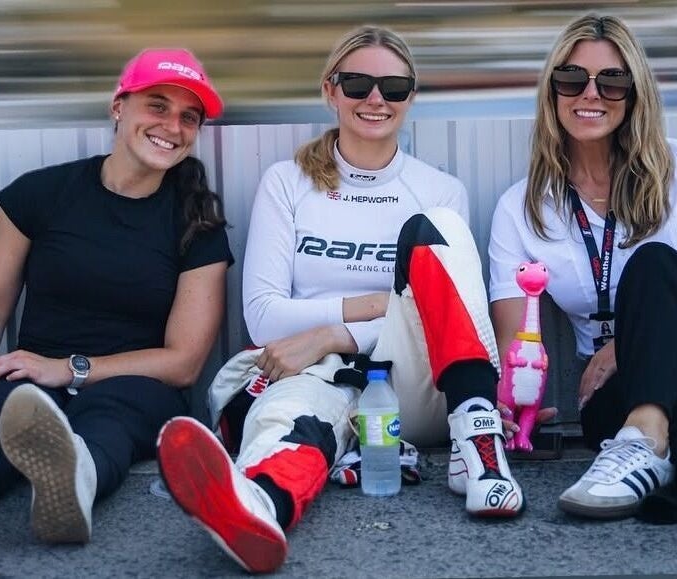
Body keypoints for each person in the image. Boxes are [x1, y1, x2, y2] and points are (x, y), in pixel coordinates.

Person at [156, 25, 548, 575]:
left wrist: (329, 332)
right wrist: (376, 305)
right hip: (315, 374)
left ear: (411, 98)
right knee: (289, 419)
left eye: (393, 87)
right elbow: (265, 316)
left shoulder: (439, 190)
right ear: (331, 90)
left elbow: (454, 308)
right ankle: (258, 506)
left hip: (414, 387)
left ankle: (477, 446)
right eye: (359, 82)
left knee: (434, 228)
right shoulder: (287, 182)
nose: (375, 99)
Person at [489, 13, 677, 528]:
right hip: (612, 397)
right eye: (572, 79)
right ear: (553, 93)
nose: (590, 93)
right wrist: (510, 407)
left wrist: (630, 341)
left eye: (611, 80)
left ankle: (643, 440)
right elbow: (516, 348)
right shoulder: (522, 208)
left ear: (635, 92)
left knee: (654, 264)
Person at [0, 48, 232, 546]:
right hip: (30, 376)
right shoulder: (38, 194)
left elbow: (184, 363)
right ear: (118, 107)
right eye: (157, 105)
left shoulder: (198, 223)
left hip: (137, 384)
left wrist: (69, 368)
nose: (172, 126)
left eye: (188, 117)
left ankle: (72, 485)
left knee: (109, 423)